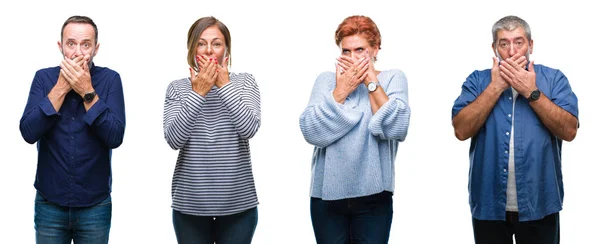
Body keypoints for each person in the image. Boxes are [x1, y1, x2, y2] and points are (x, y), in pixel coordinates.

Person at [451, 15, 579, 244]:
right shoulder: (477, 81)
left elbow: (569, 131)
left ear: (531, 45)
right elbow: (461, 130)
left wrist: (532, 92)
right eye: (504, 43)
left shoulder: (554, 79)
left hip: (541, 202)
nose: (512, 51)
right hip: (489, 204)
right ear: (494, 48)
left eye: (519, 42)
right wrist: (495, 88)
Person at [299, 15, 411, 243]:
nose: (352, 58)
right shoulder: (326, 81)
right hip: (326, 198)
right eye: (346, 51)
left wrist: (370, 81)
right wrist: (341, 91)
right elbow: (311, 131)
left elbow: (397, 128)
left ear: (375, 49)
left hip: (374, 196)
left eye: (360, 50)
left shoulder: (393, 78)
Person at [19, 15, 126, 244]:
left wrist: (87, 91)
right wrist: (60, 88)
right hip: (50, 203)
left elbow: (115, 136)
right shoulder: (43, 78)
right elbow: (28, 132)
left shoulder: (110, 80)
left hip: (95, 206)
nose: (78, 52)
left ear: (96, 48)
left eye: (85, 44)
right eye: (71, 44)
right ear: (61, 46)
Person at [163, 16, 261, 244]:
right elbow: (174, 139)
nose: (209, 51)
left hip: (239, 203)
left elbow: (249, 129)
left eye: (216, 43)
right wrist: (198, 93)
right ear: (192, 48)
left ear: (226, 49)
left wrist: (224, 86)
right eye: (201, 43)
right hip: (190, 204)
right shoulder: (177, 88)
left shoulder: (245, 82)